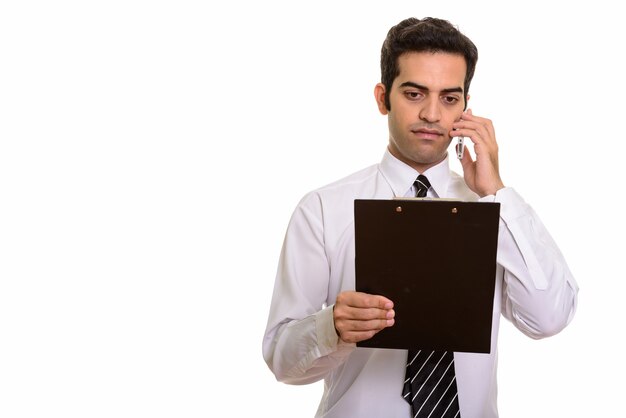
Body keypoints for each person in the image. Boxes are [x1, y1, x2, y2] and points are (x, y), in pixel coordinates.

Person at [262, 17, 578, 418]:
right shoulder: (323, 209)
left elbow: (548, 319)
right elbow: (281, 360)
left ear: (466, 106)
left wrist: (496, 193)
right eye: (414, 93)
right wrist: (333, 328)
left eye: (449, 98)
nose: (432, 113)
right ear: (383, 98)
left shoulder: (494, 212)